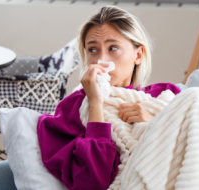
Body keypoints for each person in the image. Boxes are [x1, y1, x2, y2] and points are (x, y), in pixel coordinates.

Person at [37, 6, 181, 190]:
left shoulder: (165, 95)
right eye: (93, 50)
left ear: (138, 55)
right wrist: (96, 103)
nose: (101, 60)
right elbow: (93, 183)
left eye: (113, 48)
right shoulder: (67, 113)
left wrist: (156, 122)